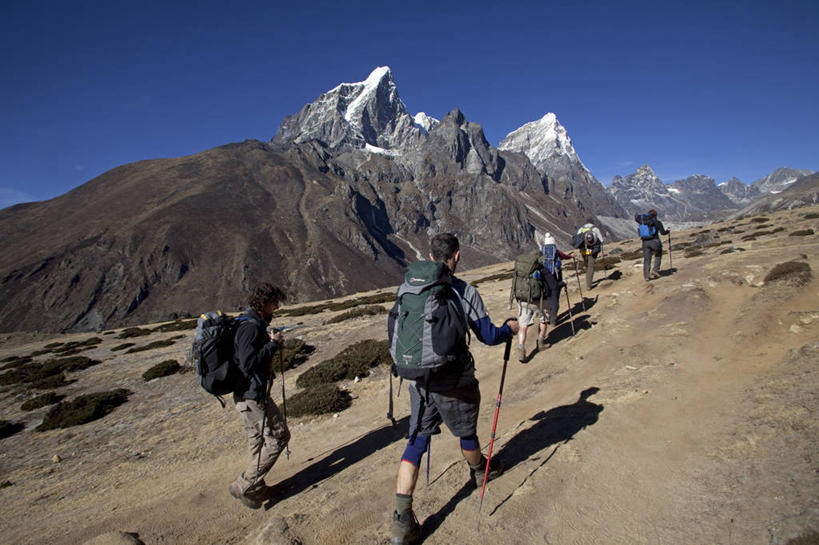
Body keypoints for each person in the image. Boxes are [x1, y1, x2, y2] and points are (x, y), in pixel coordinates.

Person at [390, 233, 519, 545]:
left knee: (416, 442)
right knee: (466, 433)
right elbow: (488, 336)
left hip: (419, 380)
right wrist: (509, 330)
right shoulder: (464, 291)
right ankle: (480, 470)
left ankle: (401, 520)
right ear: (457, 256)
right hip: (454, 381)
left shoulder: (409, 287)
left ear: (431, 257)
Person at [229, 283, 291, 510]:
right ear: (263, 303)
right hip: (252, 396)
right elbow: (248, 363)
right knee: (279, 437)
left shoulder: (250, 324)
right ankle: (244, 485)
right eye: (274, 303)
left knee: (256, 440)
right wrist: (272, 345)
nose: (277, 307)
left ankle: (257, 489)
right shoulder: (250, 328)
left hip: (246, 395)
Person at [637, 209, 670, 281]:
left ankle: (646, 276)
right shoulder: (657, 222)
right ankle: (655, 270)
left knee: (647, 259)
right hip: (655, 241)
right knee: (658, 255)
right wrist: (668, 231)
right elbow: (662, 233)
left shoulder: (643, 223)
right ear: (655, 215)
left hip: (645, 243)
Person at [576, 220, 603, 290]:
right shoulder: (595, 229)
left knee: (587, 264)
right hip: (592, 250)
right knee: (591, 266)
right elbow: (601, 240)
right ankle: (588, 285)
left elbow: (577, 240)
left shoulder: (581, 229)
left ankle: (588, 278)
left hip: (584, 251)